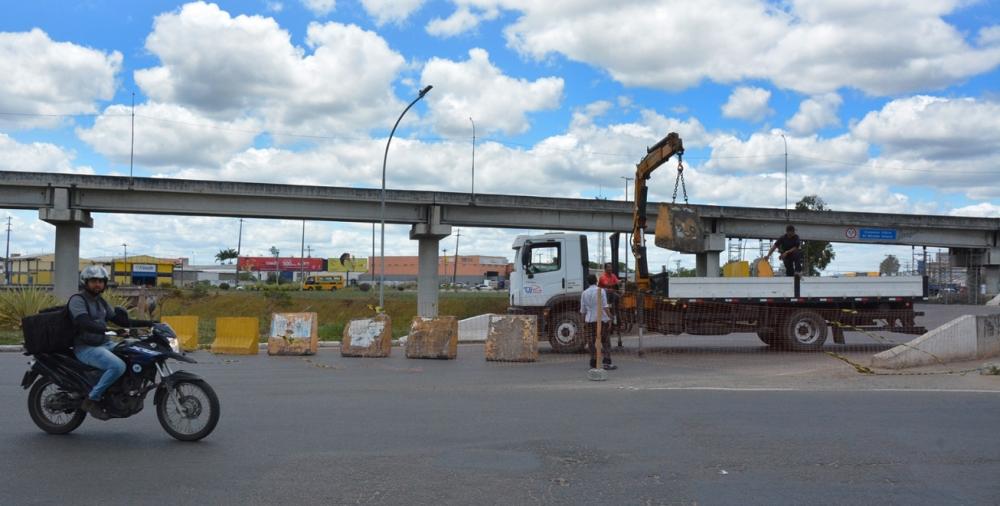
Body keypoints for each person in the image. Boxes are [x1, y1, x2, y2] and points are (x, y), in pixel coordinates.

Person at [70, 265, 154, 419]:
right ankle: (92, 399)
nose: (98, 284)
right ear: (85, 282)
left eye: (101, 281)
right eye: (94, 281)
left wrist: (151, 323)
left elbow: (121, 320)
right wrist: (109, 330)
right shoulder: (78, 300)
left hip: (103, 343)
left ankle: (118, 390)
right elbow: (84, 322)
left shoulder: (100, 302)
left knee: (133, 351)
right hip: (86, 347)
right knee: (117, 365)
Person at [579, 274, 616, 370]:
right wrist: (610, 318)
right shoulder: (601, 291)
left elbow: (583, 310)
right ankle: (606, 362)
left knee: (591, 342)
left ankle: (593, 362)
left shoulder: (584, 293)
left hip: (589, 320)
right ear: (596, 281)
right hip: (601, 319)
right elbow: (605, 306)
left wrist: (583, 322)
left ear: (588, 282)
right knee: (605, 341)